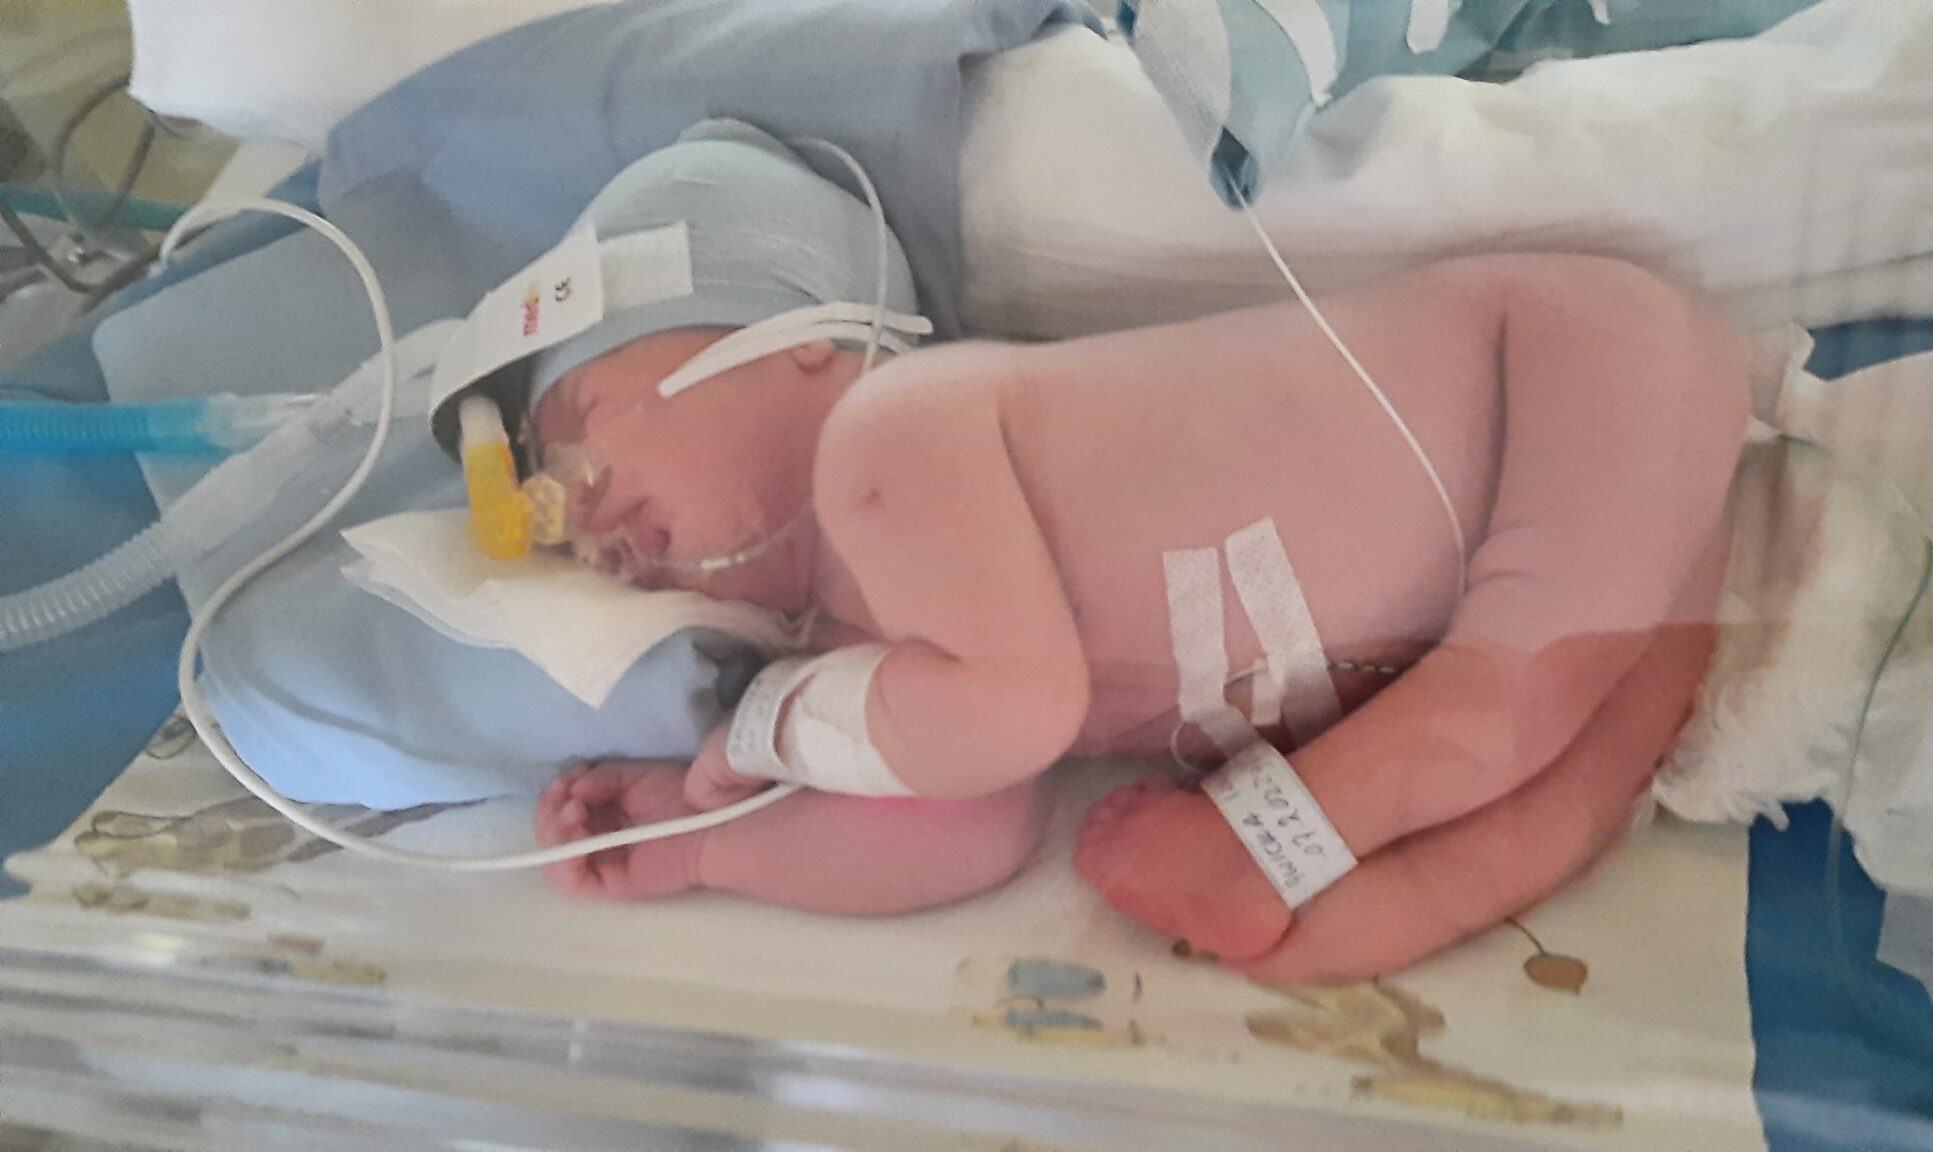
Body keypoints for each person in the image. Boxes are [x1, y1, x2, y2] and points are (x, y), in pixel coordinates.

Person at [512, 121, 1748, 984]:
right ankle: (1373, 896)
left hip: (1572, 361)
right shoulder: (871, 645)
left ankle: (1272, 842)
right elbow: (968, 828)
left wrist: (765, 732)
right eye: (559, 528)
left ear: (793, 338)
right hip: (1632, 549)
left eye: (580, 433)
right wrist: (703, 844)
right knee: (1573, 773)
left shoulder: (893, 434)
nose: (578, 519)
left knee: (1513, 693)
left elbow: (1013, 712)